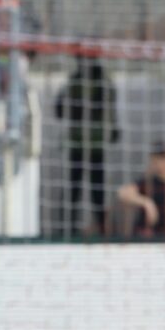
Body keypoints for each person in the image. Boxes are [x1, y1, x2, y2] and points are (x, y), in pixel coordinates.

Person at [54, 57, 118, 237]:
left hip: (95, 144)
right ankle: (68, 229)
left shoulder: (102, 82)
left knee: (96, 190)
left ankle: (102, 229)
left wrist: (112, 126)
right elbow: (60, 109)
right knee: (75, 188)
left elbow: (110, 108)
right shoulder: (76, 80)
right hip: (79, 143)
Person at [118, 143, 165, 239]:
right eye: (158, 158)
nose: (163, 162)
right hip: (145, 236)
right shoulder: (148, 183)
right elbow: (123, 193)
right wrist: (146, 202)